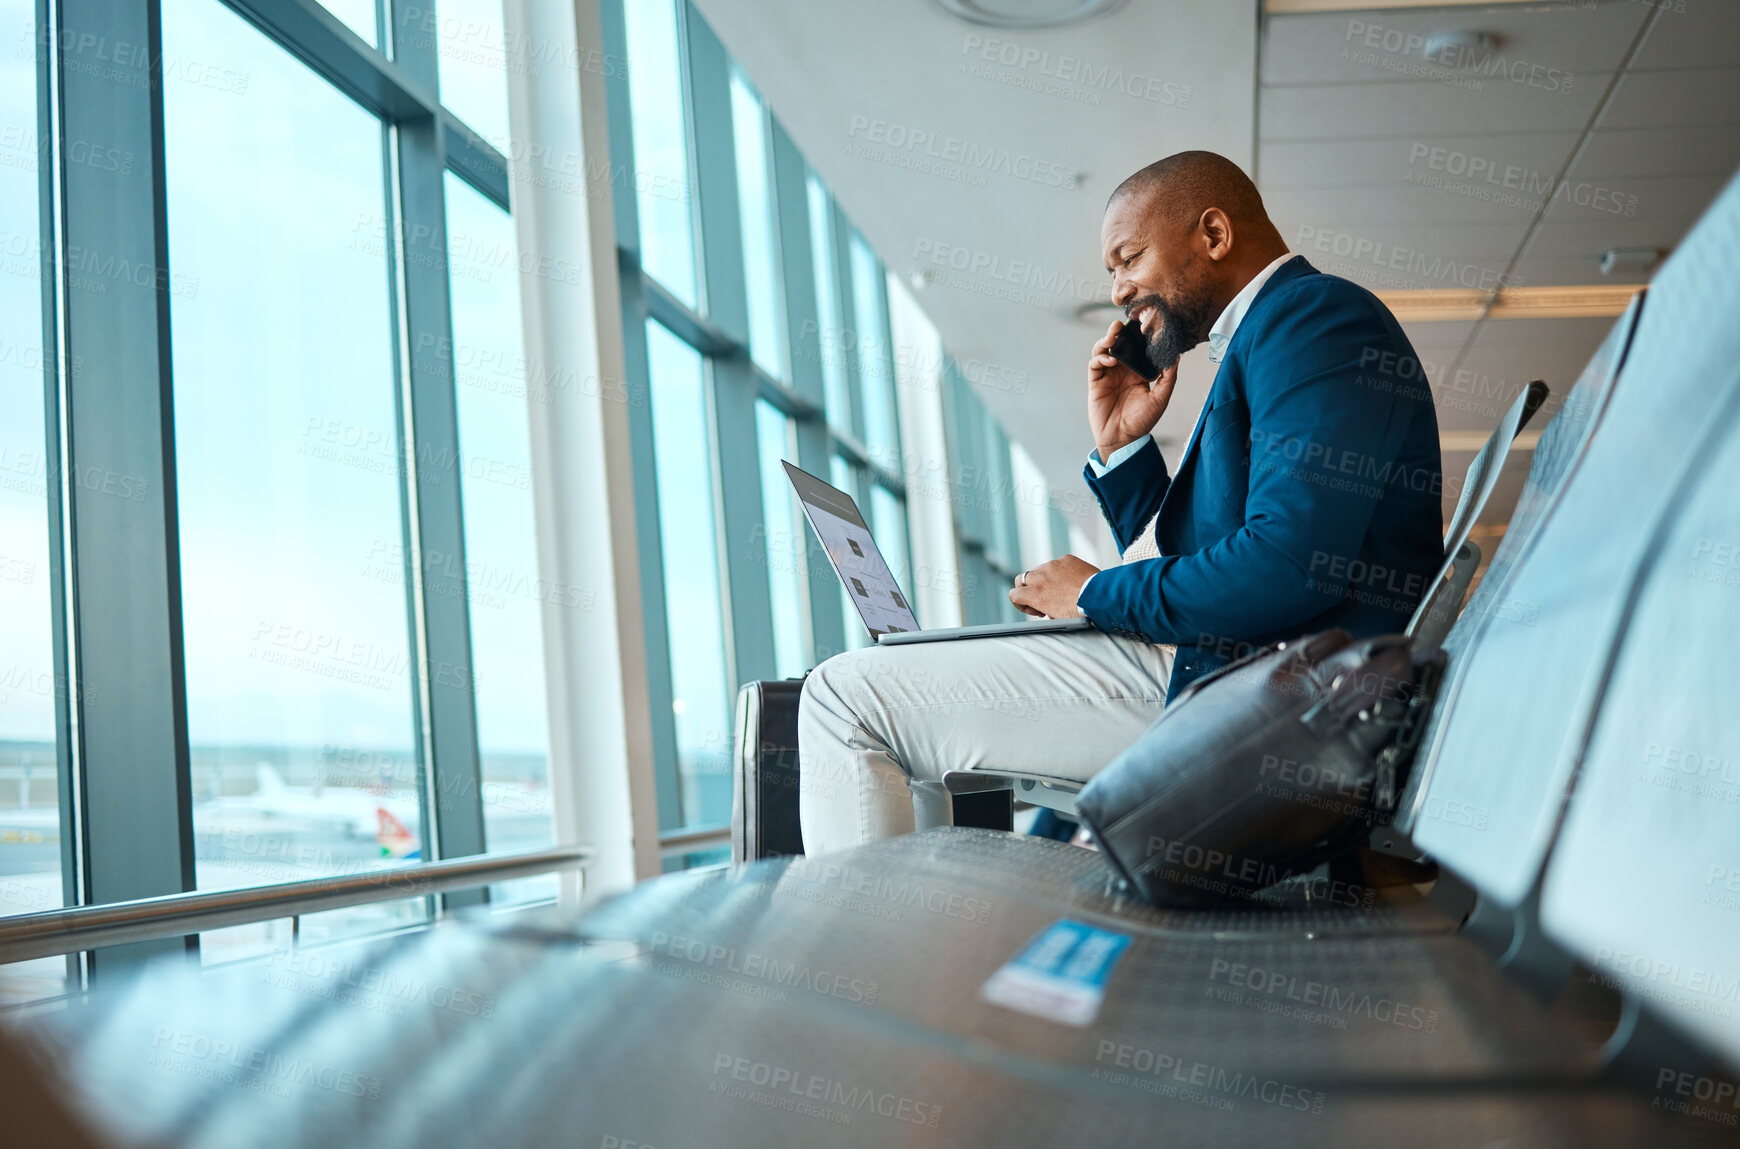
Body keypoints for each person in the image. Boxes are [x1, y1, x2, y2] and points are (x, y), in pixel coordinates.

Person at [798, 151, 1443, 855]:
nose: (1117, 290)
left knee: (843, 696)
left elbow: (1288, 565)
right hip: (1237, 671)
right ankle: (913, 933)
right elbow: (1212, 556)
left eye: (1127, 258)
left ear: (1215, 235)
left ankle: (873, 963)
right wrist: (1123, 446)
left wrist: (1096, 593)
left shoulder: (1312, 318)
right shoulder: (1268, 336)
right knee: (908, 725)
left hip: (1259, 691)